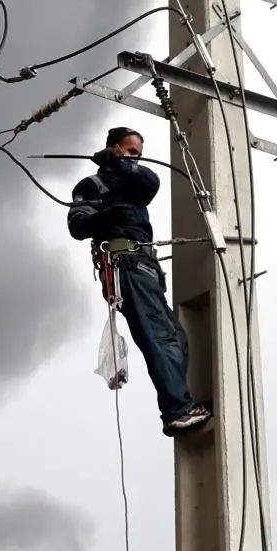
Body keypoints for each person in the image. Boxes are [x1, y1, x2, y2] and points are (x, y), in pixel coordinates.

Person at [68, 126, 212, 435]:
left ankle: (179, 403)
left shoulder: (135, 184)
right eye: (131, 151)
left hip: (146, 268)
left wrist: (121, 162)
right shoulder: (92, 185)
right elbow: (78, 226)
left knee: (175, 338)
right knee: (159, 338)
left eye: (139, 153)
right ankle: (176, 410)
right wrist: (106, 217)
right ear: (114, 147)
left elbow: (151, 182)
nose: (137, 158)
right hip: (125, 266)